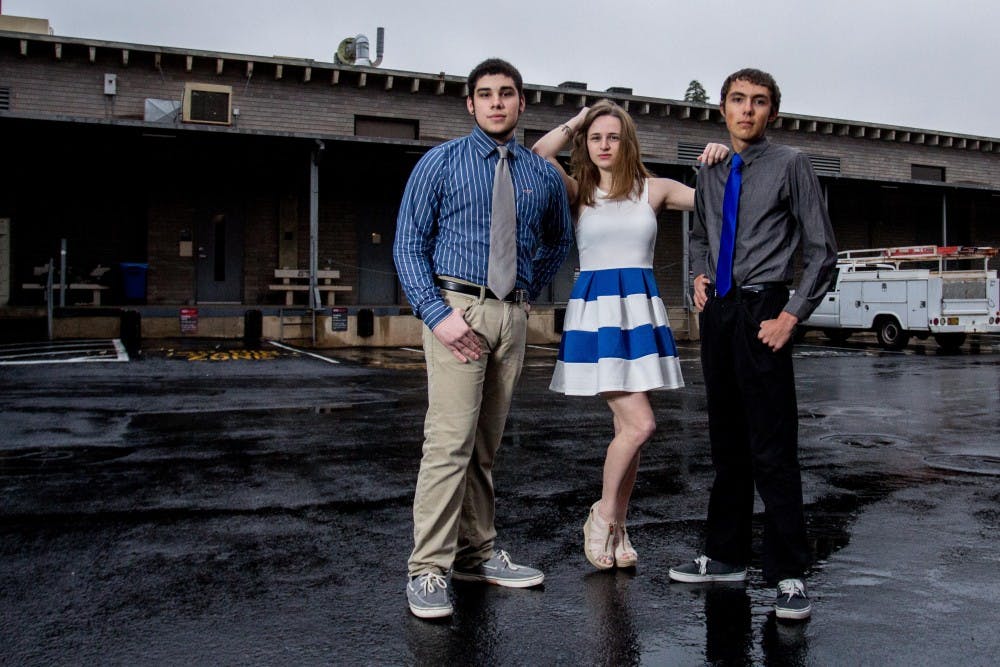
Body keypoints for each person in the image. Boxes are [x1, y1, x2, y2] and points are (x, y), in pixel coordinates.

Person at [393, 58, 573, 620]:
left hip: (509, 315)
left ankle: (476, 554)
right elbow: (407, 245)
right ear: (470, 105)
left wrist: (523, 295)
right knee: (449, 442)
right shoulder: (439, 163)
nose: (497, 103)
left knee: (485, 446)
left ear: (522, 104)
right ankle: (427, 569)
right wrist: (436, 313)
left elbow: (557, 242)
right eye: (486, 94)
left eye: (508, 94)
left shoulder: (541, 175)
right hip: (455, 309)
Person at [669, 68, 837, 622]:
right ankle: (725, 556)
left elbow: (821, 251)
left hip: (766, 309)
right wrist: (696, 274)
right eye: (738, 100)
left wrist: (791, 316)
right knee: (727, 445)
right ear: (723, 109)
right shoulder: (710, 167)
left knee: (772, 446)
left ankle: (790, 574)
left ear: (772, 112)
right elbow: (698, 233)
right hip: (719, 311)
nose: (747, 110)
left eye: (758, 102)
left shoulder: (791, 165)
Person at [533, 100, 728, 571]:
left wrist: (722, 159)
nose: (603, 145)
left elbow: (713, 199)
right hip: (597, 315)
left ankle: (619, 525)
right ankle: (601, 518)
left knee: (629, 431)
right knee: (641, 424)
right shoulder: (578, 192)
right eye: (595, 137)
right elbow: (539, 154)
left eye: (613, 137)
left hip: (638, 310)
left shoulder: (652, 189)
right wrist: (580, 119)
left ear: (627, 143)